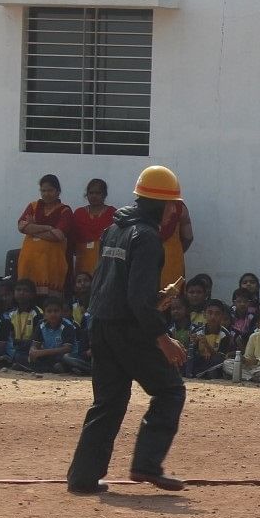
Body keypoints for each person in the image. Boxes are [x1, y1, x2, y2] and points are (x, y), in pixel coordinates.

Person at [66, 166, 191, 496]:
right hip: (129, 330)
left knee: (107, 402)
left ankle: (83, 478)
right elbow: (136, 299)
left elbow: (114, 284)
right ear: (161, 206)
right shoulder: (148, 238)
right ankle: (147, 464)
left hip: (102, 325)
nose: (171, 212)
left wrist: (155, 299)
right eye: (170, 206)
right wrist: (163, 338)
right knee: (170, 391)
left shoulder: (113, 229)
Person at [17, 175, 73, 298]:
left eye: (50, 190)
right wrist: (48, 228)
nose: (46, 194)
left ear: (58, 192)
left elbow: (58, 235)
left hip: (51, 264)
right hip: (29, 263)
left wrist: (33, 227)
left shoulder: (65, 210)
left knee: (49, 304)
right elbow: (21, 226)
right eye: (43, 190)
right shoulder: (33, 206)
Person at [69, 178, 114, 285]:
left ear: (104, 195)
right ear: (87, 194)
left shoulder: (112, 213)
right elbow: (72, 239)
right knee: (83, 288)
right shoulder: (79, 213)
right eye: (91, 193)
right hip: (82, 260)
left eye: (98, 193)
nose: (94, 196)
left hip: (104, 261)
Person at [158, 197, 193, 294]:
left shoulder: (142, 207)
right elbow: (188, 237)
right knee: (173, 302)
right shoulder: (179, 207)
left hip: (147, 263)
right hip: (173, 261)